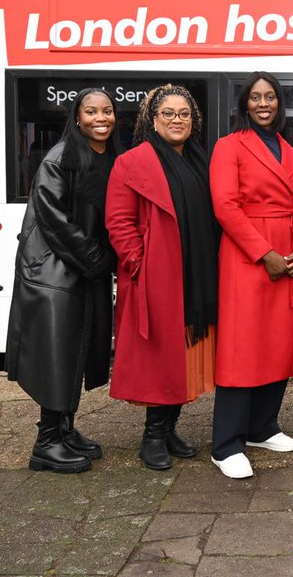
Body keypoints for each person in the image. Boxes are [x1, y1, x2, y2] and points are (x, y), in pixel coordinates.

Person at [5, 88, 118, 474]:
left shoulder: (107, 156)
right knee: (56, 354)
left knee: (78, 351)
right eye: (91, 111)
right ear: (77, 116)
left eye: (107, 111)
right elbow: (53, 217)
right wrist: (95, 257)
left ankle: (65, 430)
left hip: (83, 270)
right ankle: (46, 443)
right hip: (55, 271)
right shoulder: (60, 157)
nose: (100, 118)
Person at [104, 85, 217, 470]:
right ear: (152, 119)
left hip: (195, 274)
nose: (176, 120)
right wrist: (140, 264)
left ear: (193, 121)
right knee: (160, 357)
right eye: (167, 113)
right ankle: (152, 435)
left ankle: (169, 430)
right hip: (156, 275)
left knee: (183, 356)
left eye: (184, 114)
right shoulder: (132, 162)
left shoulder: (201, 159)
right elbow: (119, 222)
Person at [209, 72, 293, 479]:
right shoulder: (228, 146)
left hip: (287, 255)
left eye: (270, 97)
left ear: (279, 102)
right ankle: (226, 444)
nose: (264, 103)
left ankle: (262, 427)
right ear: (245, 104)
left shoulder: (288, 148)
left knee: (278, 342)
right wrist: (263, 253)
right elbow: (225, 207)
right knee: (242, 347)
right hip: (247, 257)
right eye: (256, 97)